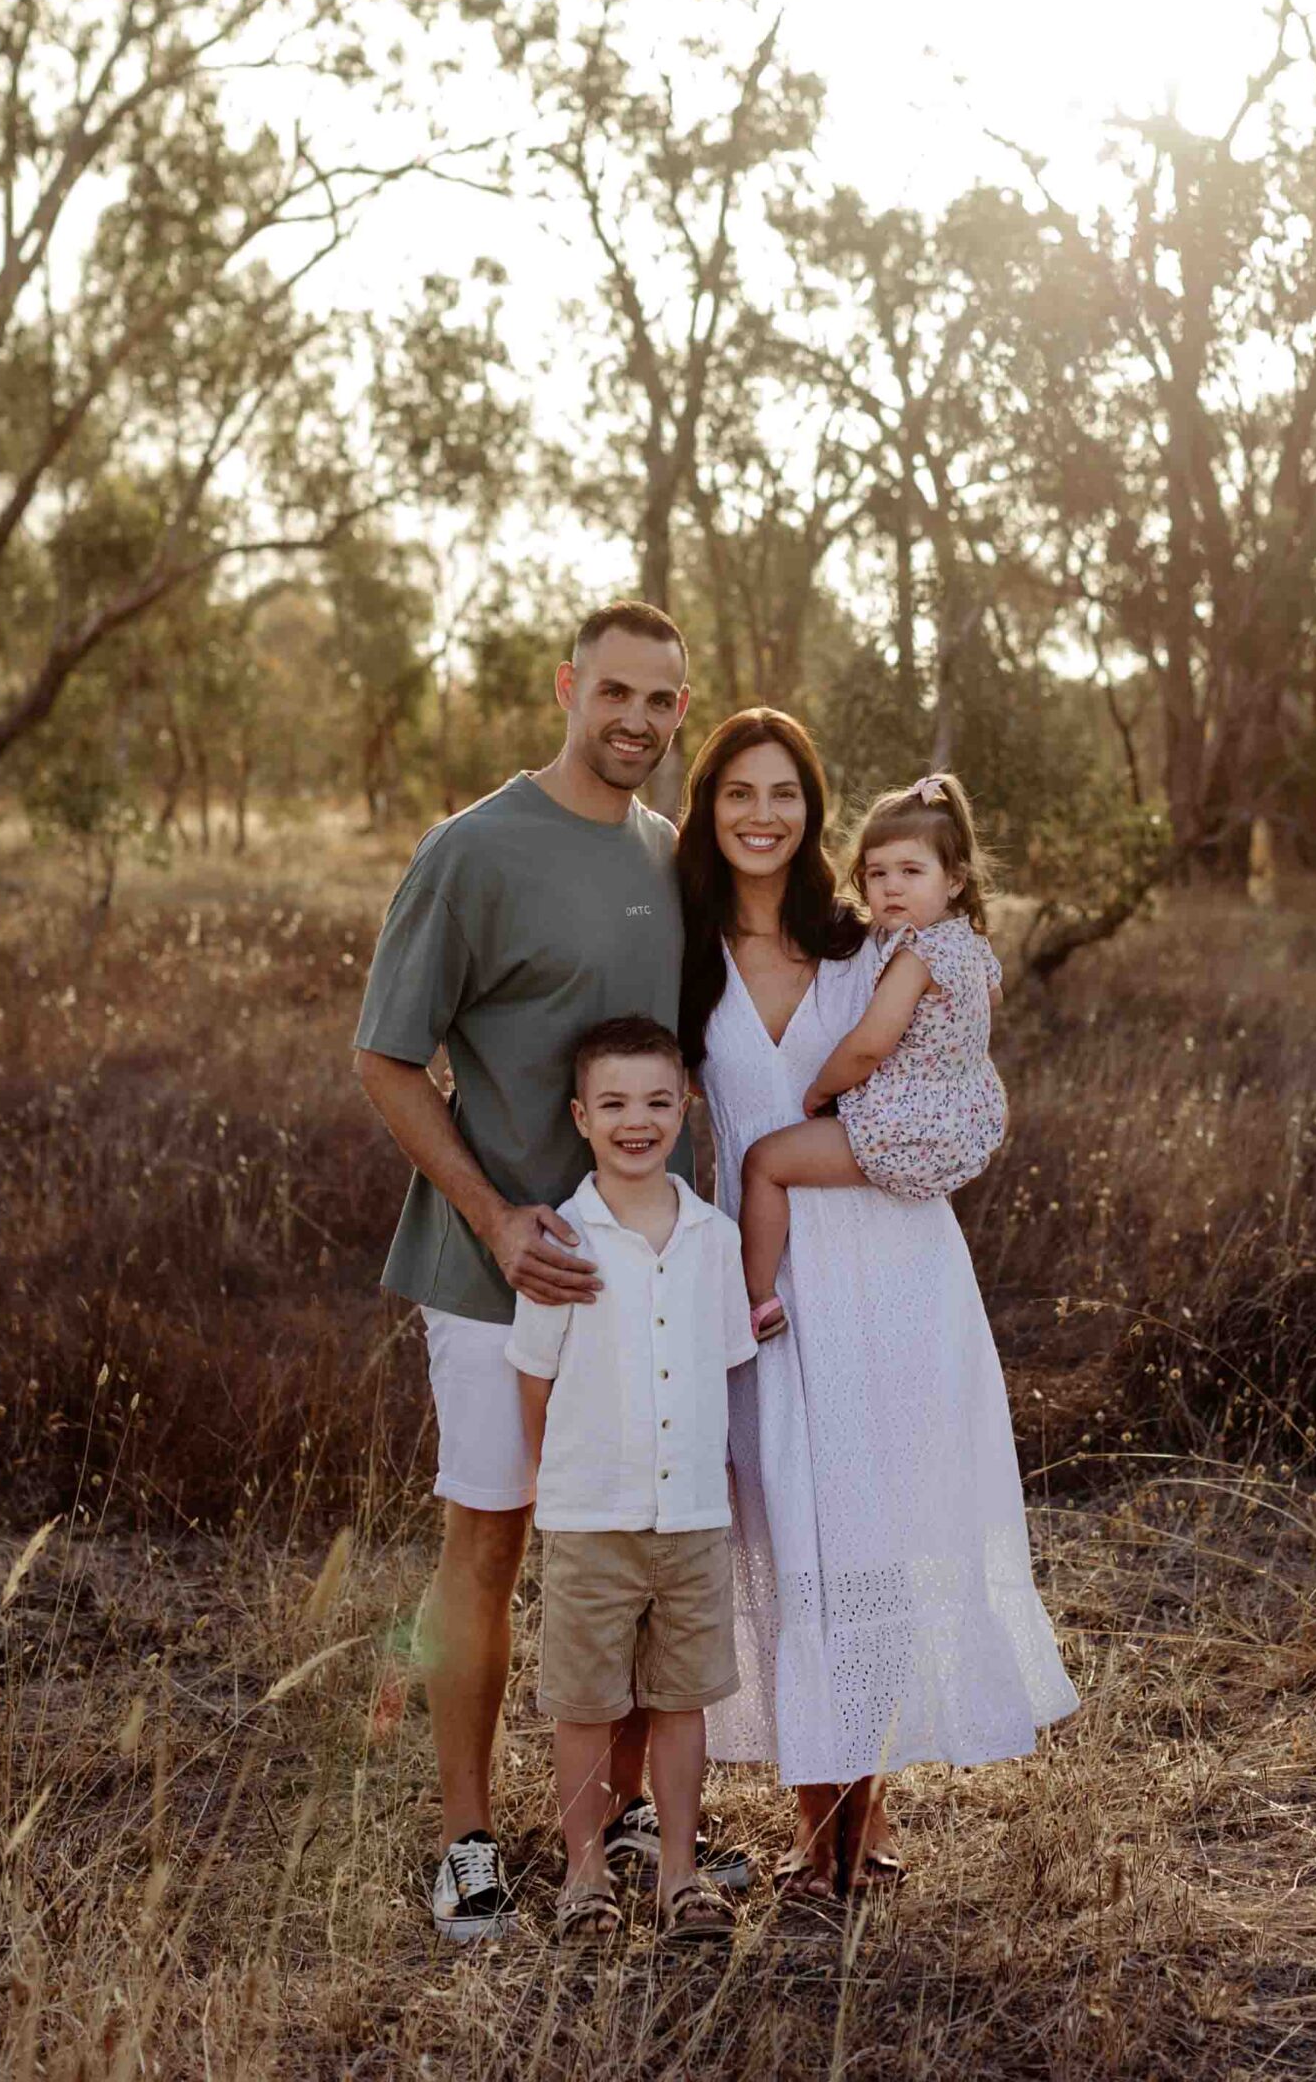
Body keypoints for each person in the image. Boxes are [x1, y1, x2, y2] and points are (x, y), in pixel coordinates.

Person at [353, 601, 743, 1943]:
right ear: (567, 687)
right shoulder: (472, 851)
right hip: (492, 1277)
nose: (634, 720)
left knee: (630, 1534)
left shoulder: (668, 855)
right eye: (614, 692)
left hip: (634, 1285)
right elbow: (384, 1059)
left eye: (662, 702)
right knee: (490, 1540)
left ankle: (625, 1811)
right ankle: (465, 1840)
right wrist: (495, 1217)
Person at [678, 709, 1078, 1902]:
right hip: (766, 1281)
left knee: (873, 1530)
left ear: (812, 812)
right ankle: (818, 1828)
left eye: (784, 793)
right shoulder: (682, 953)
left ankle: (867, 1823)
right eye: (737, 793)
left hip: (893, 1266)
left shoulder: (869, 940)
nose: (760, 814)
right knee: (787, 1525)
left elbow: (945, 1069)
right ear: (708, 812)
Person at [507, 1016, 755, 1947]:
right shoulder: (562, 1243)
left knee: (680, 1698)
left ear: (686, 1106)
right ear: (580, 1115)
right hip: (591, 1515)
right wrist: (550, 1484)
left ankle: (681, 1877)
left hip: (690, 1515)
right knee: (585, 1700)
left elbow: (726, 1364)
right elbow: (534, 1375)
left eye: (657, 1101)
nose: (637, 1121)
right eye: (614, 1103)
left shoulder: (714, 1237)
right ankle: (585, 1875)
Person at [738, 772, 1007, 1342]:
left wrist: (820, 1092)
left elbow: (867, 1046)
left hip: (902, 1130)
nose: (890, 888)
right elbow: (990, 999)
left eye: (912, 872)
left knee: (764, 1163)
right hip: (961, 1119)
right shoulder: (971, 943)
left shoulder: (915, 955)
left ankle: (756, 1300)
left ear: (955, 879)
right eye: (877, 873)